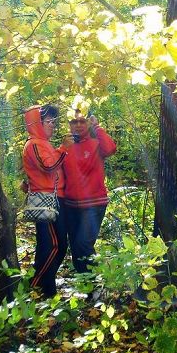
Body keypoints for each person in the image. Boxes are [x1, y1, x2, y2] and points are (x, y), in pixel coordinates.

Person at [22, 105, 73, 297]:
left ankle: (45, 286)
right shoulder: (34, 143)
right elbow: (48, 166)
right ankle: (39, 286)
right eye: (48, 121)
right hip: (46, 201)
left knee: (57, 245)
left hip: (55, 199)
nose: (53, 125)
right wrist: (64, 148)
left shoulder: (43, 143)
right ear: (37, 123)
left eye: (54, 121)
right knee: (52, 245)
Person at [62, 111, 116, 273]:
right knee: (76, 247)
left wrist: (97, 126)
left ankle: (95, 282)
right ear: (69, 125)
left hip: (94, 204)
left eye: (82, 121)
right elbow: (52, 168)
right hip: (71, 205)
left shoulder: (95, 144)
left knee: (83, 244)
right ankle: (86, 287)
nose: (78, 125)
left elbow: (111, 148)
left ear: (88, 124)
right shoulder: (65, 146)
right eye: (74, 121)